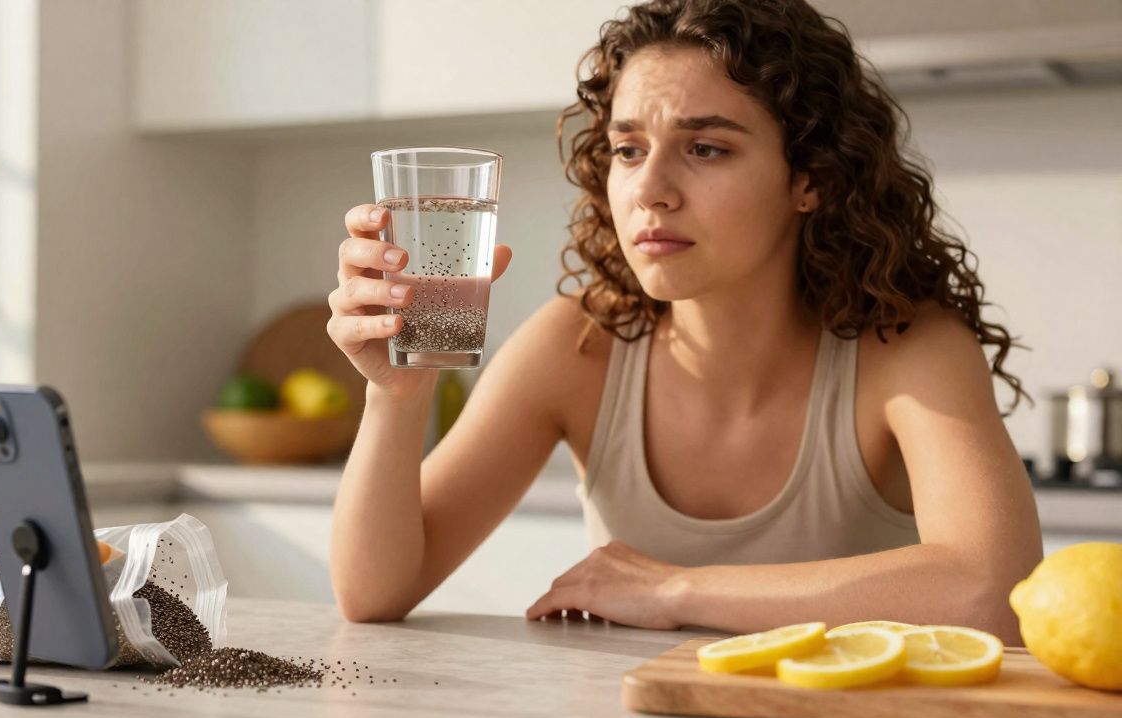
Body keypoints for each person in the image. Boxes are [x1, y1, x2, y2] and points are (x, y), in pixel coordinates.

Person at [325, 0, 1041, 644]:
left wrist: (675, 590)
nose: (650, 190)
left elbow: (993, 593)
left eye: (706, 148)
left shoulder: (910, 352)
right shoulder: (576, 346)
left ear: (810, 178)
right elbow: (373, 593)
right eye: (628, 149)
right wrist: (396, 396)